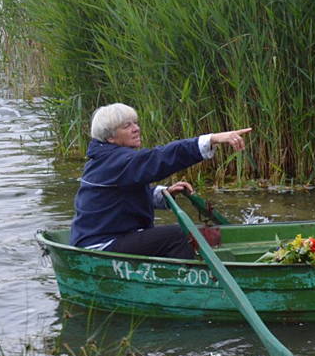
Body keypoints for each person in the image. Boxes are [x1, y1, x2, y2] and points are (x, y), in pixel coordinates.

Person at [70, 103, 251, 259]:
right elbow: (160, 158)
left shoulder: (104, 158)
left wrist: (162, 194)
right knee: (182, 235)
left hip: (109, 237)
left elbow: (121, 196)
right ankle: (184, 279)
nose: (136, 128)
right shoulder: (115, 161)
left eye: (135, 123)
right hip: (101, 245)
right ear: (110, 137)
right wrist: (211, 139)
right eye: (127, 126)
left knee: (184, 234)